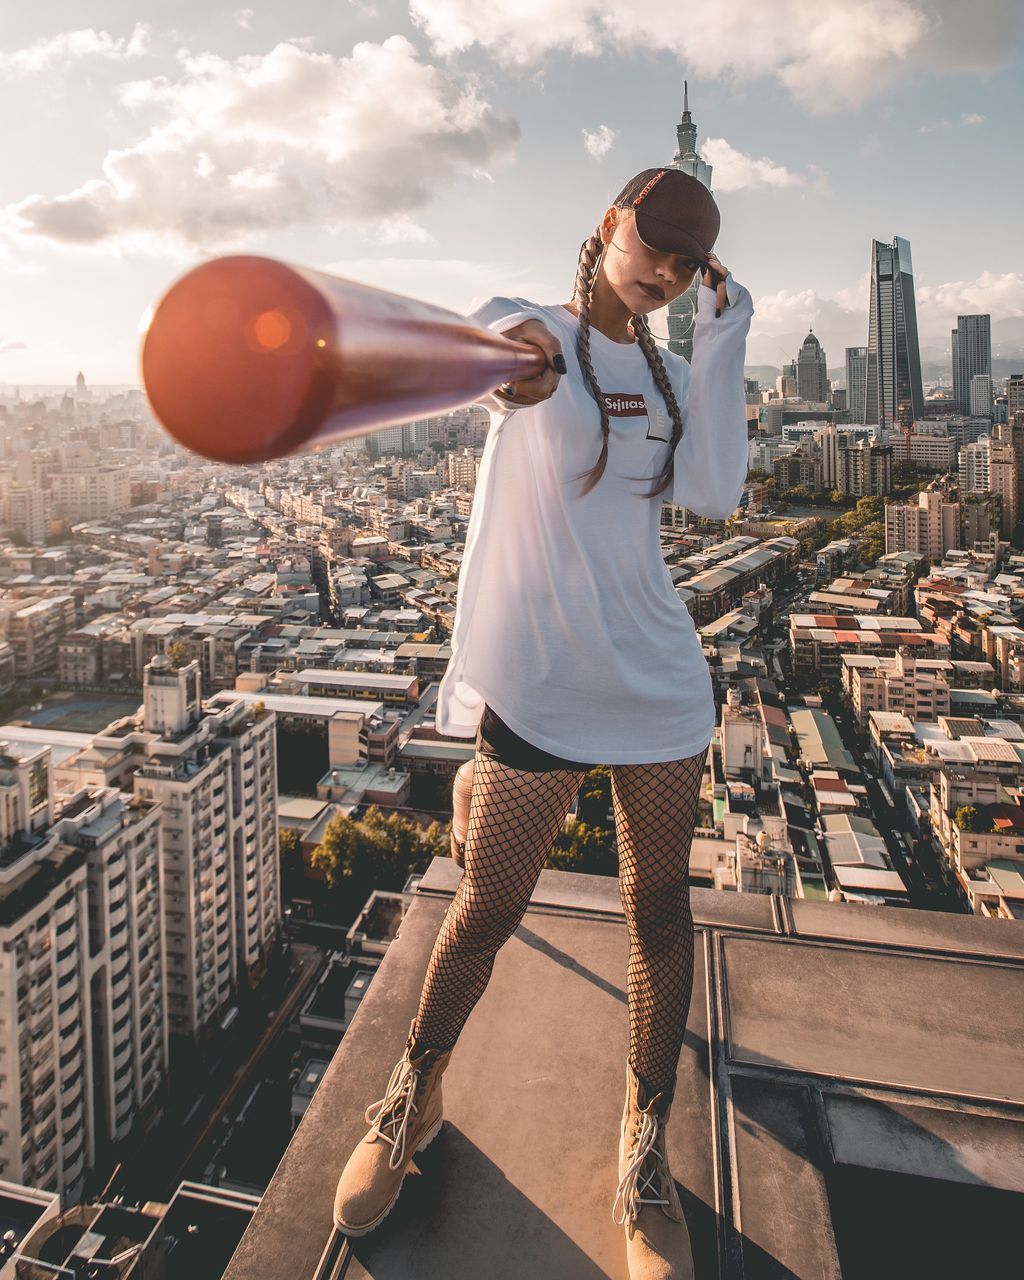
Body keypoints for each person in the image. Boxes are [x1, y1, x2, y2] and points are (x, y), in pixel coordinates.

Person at [333, 167, 754, 1278]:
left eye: (686, 256)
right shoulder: (537, 336)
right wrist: (508, 364)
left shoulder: (669, 378)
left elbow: (713, 493)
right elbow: (484, 355)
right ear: (608, 223)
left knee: (657, 907)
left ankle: (644, 1144)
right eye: (651, 240)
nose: (663, 268)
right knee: (485, 906)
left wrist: (727, 332)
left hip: (659, 680)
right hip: (545, 687)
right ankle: (410, 1094)